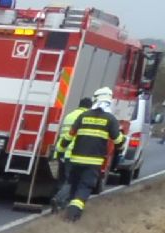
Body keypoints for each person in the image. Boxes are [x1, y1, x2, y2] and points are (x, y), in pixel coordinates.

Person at [55, 85, 122, 223]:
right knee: (84, 187)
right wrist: (123, 139)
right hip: (93, 163)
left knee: (73, 185)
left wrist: (59, 152)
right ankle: (72, 215)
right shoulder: (110, 119)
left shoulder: (83, 116)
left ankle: (68, 211)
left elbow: (68, 136)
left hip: (75, 160)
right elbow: (118, 141)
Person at [49, 96, 91, 211]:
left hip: (63, 152)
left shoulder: (69, 116)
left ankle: (60, 205)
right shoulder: (85, 117)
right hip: (75, 154)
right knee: (72, 181)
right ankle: (58, 199)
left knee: (63, 180)